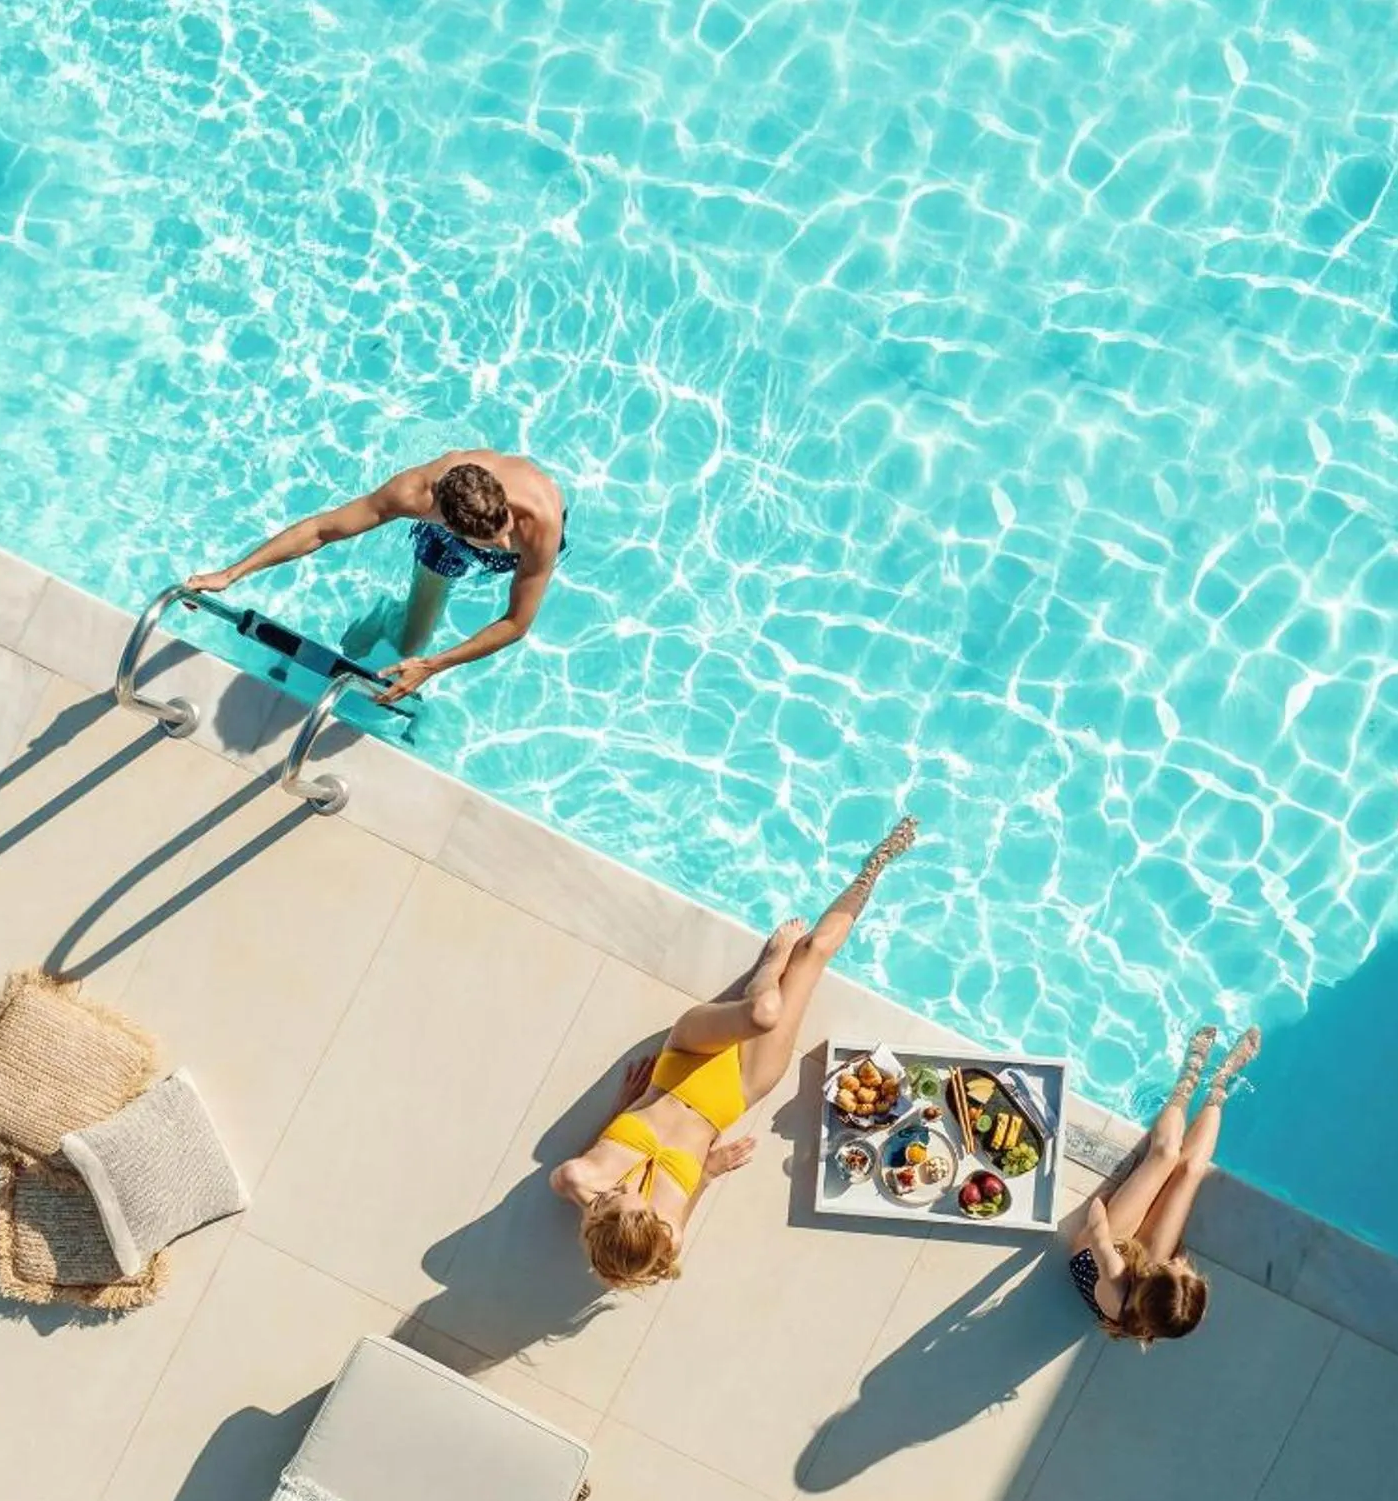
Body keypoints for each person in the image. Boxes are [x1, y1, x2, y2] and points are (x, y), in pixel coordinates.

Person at [552, 817, 921, 1290]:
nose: (625, 1186)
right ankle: (879, 864)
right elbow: (694, 1189)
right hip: (738, 1088)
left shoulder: (576, 1177)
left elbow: (598, 1169)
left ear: (596, 1221)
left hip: (682, 1062)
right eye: (633, 1198)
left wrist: (624, 1105)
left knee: (764, 1011)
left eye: (615, 1197)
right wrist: (708, 1170)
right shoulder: (670, 1233)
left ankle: (767, 969)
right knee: (814, 949)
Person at [182, 449, 565, 705]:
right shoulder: (413, 496)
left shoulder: (538, 522)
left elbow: (517, 622)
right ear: (442, 520)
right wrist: (230, 575)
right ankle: (387, 615)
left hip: (514, 531)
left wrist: (434, 666)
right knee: (411, 642)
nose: (503, 542)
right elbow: (322, 530)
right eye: (491, 541)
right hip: (448, 547)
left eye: (504, 530)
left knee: (517, 569)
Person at [1059, 1023, 1261, 1344]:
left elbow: (1096, 1225)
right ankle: (1221, 1081)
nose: (1181, 1259)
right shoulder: (1166, 1302)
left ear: (1153, 1283)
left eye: (1176, 1267)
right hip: (1142, 1273)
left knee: (1164, 1156)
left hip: (1097, 1249)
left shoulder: (1113, 1279)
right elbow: (1172, 1279)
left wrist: (1113, 1193)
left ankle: (1189, 1075)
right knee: (1191, 1170)